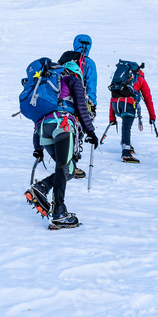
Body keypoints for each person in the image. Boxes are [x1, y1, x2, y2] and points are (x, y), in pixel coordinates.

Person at [26, 61, 98, 229]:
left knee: (69, 170)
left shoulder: (47, 87)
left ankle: (41, 187)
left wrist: (37, 148)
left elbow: (38, 118)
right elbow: (81, 107)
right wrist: (91, 132)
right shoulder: (72, 80)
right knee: (62, 167)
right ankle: (59, 212)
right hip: (63, 124)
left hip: (44, 129)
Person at [58, 34, 98, 178]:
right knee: (78, 132)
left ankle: (63, 159)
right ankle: (71, 165)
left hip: (64, 100)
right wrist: (92, 105)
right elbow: (91, 85)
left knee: (65, 129)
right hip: (82, 100)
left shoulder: (65, 59)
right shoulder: (89, 63)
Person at [107, 61, 156, 163]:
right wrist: (152, 116)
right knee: (126, 127)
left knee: (125, 126)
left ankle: (127, 144)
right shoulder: (140, 79)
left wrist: (112, 117)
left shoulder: (119, 80)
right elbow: (148, 99)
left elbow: (113, 96)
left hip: (116, 105)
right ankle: (126, 152)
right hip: (129, 104)